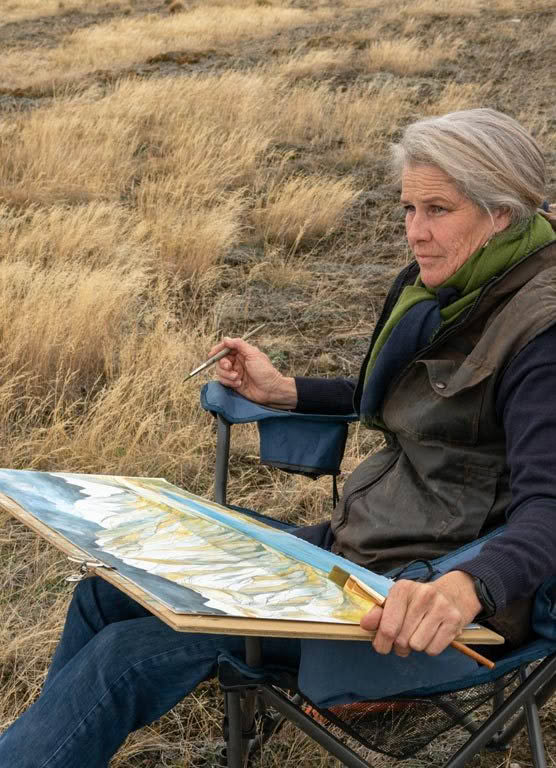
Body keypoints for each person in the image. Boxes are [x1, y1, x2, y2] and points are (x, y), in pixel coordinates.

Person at [1, 108, 555, 768]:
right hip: (364, 553)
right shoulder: (464, 285)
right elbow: (434, 401)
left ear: (503, 211)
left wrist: (466, 586)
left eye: (438, 209)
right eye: (408, 208)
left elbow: (548, 509)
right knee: (108, 585)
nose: (416, 232)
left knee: (129, 658)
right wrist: (287, 391)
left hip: (421, 607)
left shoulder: (539, 336)